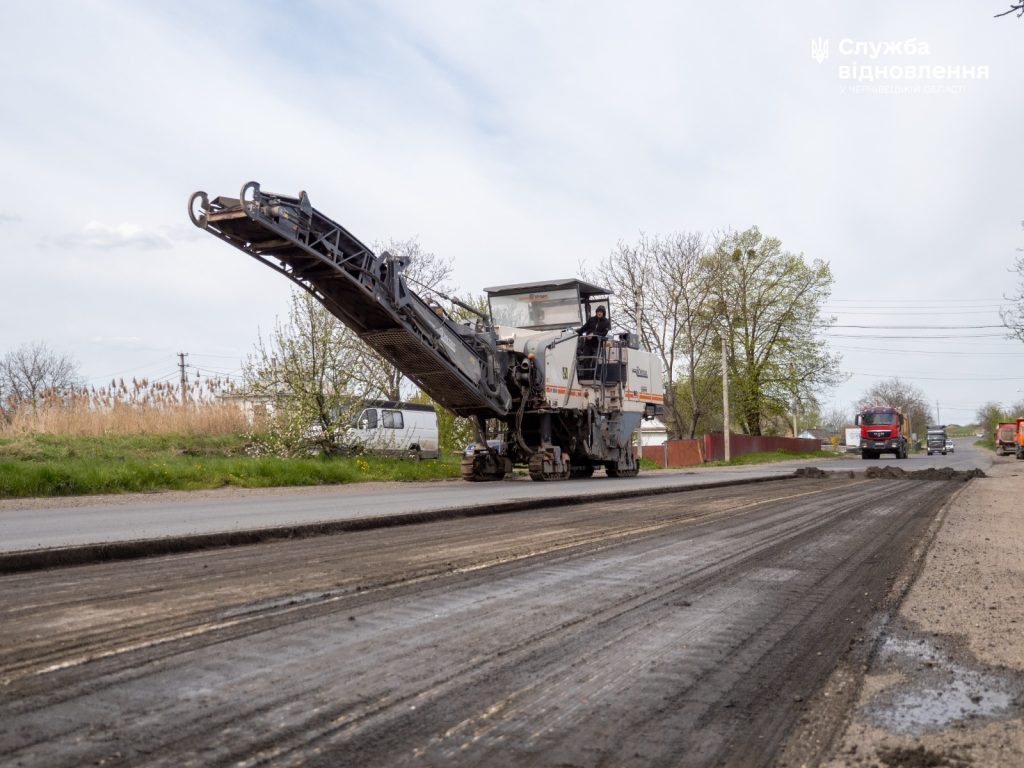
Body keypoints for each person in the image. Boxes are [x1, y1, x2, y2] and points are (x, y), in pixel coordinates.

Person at [576, 306, 610, 378]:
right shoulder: (591, 320)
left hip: (597, 344)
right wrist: (577, 333)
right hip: (588, 343)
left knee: (595, 359)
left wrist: (594, 334)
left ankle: (594, 376)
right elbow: (584, 328)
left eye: (601, 312)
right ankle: (587, 376)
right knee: (586, 359)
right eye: (598, 311)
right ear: (596, 312)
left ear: (603, 313)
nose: (599, 313)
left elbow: (604, 333)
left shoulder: (606, 322)